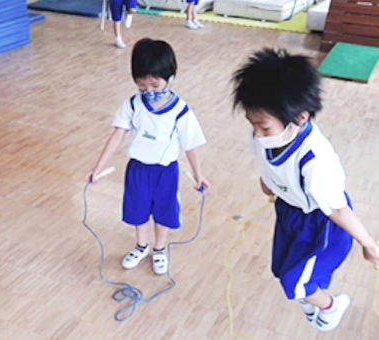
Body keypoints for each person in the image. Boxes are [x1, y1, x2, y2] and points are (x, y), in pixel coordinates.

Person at [232, 48, 379, 332]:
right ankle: (312, 300)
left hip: (323, 223)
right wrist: (269, 184)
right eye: (253, 125)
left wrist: (369, 244)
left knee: (294, 281)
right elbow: (266, 164)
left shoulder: (316, 161)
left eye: (264, 127)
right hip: (289, 212)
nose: (257, 134)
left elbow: (337, 208)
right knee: (282, 269)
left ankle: (331, 305)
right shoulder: (261, 135)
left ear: (300, 118)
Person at [86, 38, 209, 275]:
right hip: (138, 170)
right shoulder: (132, 104)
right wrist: (98, 167)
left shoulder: (180, 110)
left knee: (164, 210)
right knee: (137, 209)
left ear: (171, 77)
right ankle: (141, 245)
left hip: (166, 171)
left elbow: (190, 145)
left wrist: (198, 175)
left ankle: (159, 249)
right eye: (143, 86)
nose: (149, 91)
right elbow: (117, 136)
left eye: (155, 85)